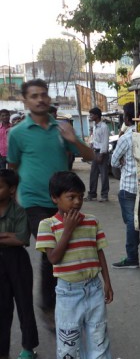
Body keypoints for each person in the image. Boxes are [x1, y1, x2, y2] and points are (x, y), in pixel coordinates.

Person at [7, 79, 94, 332]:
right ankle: (49, 306)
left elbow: (89, 157)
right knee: (51, 252)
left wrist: (73, 139)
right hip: (33, 201)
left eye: (43, 95)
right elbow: (12, 169)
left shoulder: (61, 128)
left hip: (63, 201)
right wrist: (13, 203)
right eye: (34, 96)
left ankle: (72, 300)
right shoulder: (17, 134)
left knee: (71, 249)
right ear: (25, 100)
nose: (40, 99)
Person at [36, 171, 114, 359]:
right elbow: (54, 259)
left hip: (93, 289)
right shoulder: (47, 225)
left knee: (98, 336)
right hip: (68, 292)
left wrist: (107, 282)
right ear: (55, 199)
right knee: (69, 339)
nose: (77, 202)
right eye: (71, 197)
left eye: (80, 196)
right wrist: (68, 230)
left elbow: (99, 251)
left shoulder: (91, 221)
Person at [0, 169, 39, 359]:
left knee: (24, 304)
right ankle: (3, 356)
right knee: (2, 308)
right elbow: (14, 237)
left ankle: (28, 348)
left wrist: (8, 236)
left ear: (12, 190)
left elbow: (22, 239)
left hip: (18, 262)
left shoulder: (19, 211)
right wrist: (7, 235)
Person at [111, 102, 139, 269]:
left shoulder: (126, 138)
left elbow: (114, 161)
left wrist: (123, 161)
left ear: (127, 119)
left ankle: (132, 258)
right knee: (134, 222)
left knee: (130, 222)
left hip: (128, 186)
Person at [86, 107, 110, 202]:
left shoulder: (104, 127)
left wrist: (101, 154)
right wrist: (91, 145)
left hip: (101, 153)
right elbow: (95, 139)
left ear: (97, 115)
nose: (90, 116)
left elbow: (105, 141)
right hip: (95, 152)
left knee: (104, 175)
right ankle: (92, 194)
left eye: (91, 114)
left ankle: (104, 195)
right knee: (93, 174)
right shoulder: (95, 126)